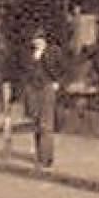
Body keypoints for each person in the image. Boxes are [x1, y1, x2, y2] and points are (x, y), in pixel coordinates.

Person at [22, 28, 64, 168]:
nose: (37, 42)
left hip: (46, 87)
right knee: (36, 123)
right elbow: (25, 71)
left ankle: (46, 158)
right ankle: (40, 154)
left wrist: (56, 82)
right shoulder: (30, 54)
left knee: (46, 123)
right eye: (35, 40)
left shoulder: (53, 51)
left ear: (44, 40)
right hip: (32, 89)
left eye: (39, 40)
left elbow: (61, 67)